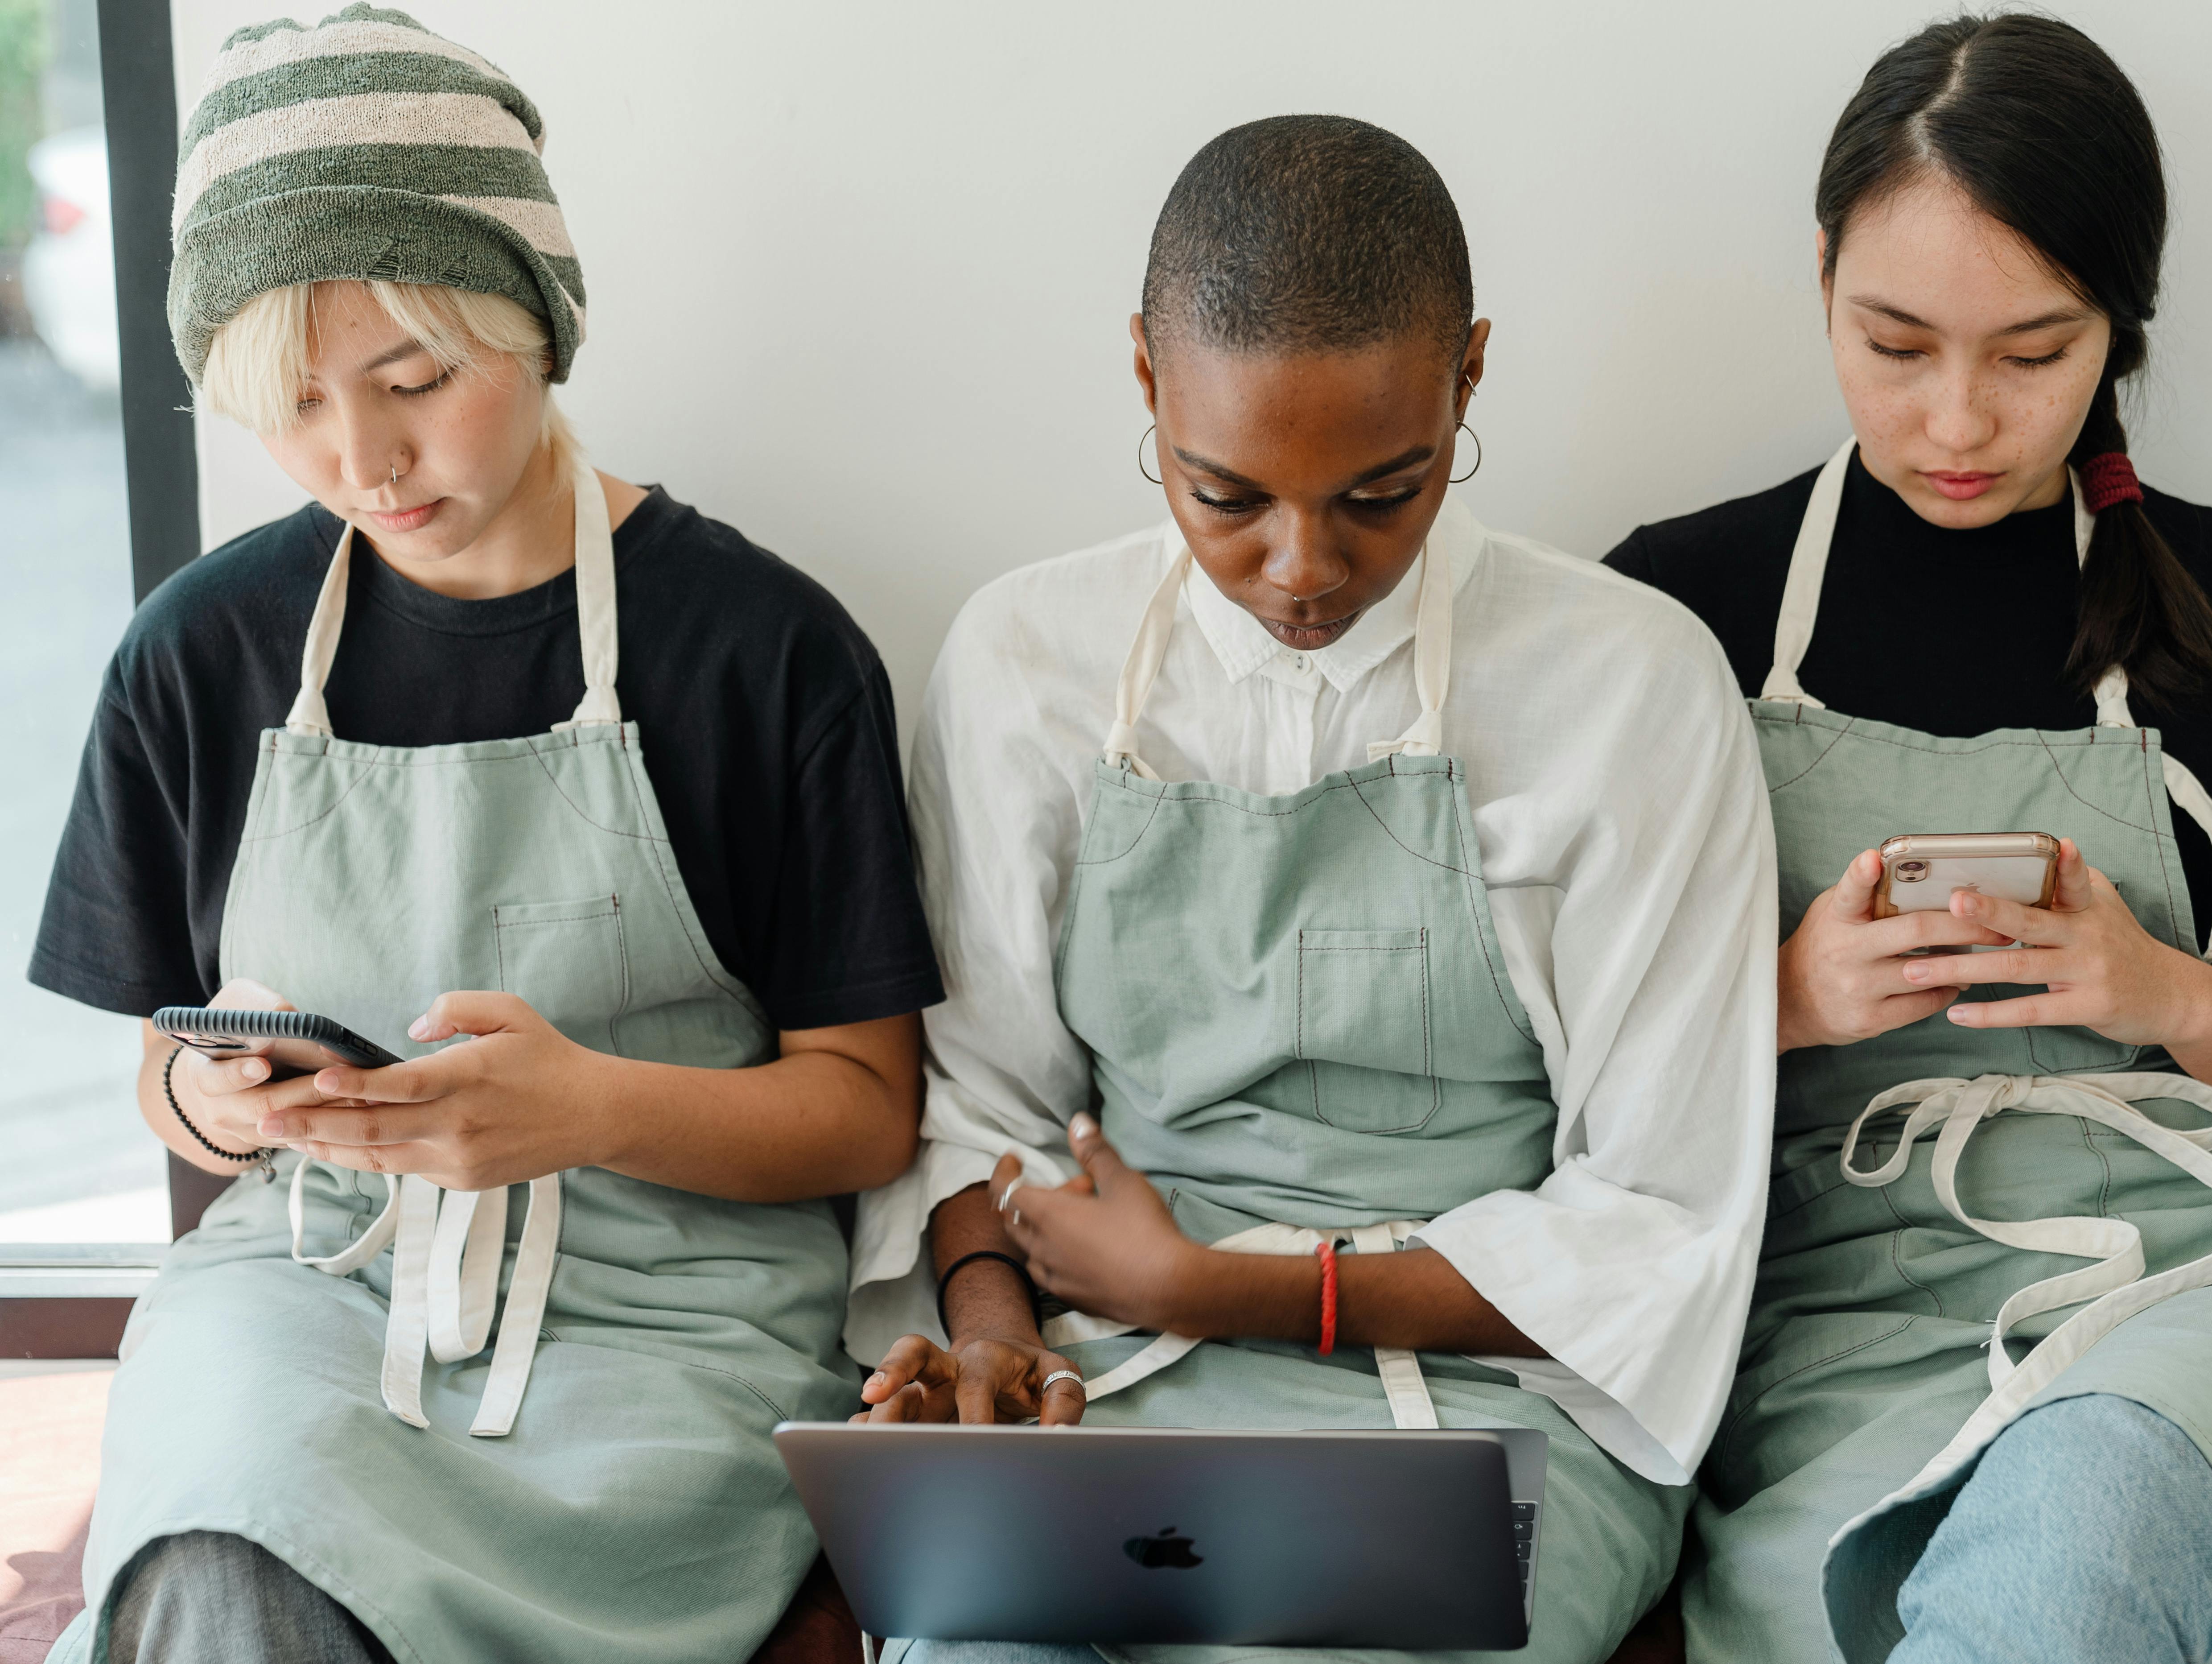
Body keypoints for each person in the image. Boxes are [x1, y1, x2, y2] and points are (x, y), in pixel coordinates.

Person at [28, 8, 943, 1661]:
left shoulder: (764, 648)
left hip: (671, 1322)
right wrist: (225, 1101)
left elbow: (868, 1113)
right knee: (228, 1549)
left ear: (535, 317)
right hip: (314, 1285)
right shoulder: (199, 651)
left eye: (415, 380)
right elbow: (157, 1071)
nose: (362, 460)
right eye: (294, 403)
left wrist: (585, 1108)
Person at [841, 115, 1778, 1664]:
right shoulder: (1024, 660)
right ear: (1145, 376)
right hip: (1114, 1369)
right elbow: (980, 1106)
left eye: (1380, 493)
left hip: (1490, 1406)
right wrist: (1002, 1352)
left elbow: (1656, 1220)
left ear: (1470, 374)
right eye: (1224, 498)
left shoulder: (1631, 683)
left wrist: (1226, 1285)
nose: (1301, 568)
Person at [1603, 15, 2212, 1664]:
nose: (1959, 421)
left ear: (2117, 330)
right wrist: (1774, 1002)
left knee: (2081, 1515)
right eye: (1894, 343)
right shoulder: (1667, 614)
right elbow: (1545, 1093)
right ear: (1822, 283)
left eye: (2035, 351)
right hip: (1835, 1323)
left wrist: (2161, 991)